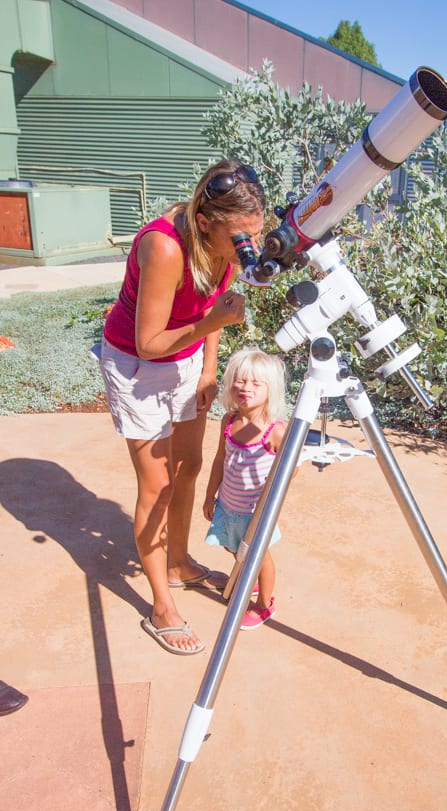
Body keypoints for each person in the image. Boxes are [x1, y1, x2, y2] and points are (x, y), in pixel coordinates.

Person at [99, 160, 266, 655]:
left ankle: (177, 562)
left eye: (253, 237)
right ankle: (160, 606)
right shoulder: (166, 247)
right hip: (138, 367)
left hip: (188, 360)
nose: (247, 248)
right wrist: (209, 324)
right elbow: (148, 342)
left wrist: (209, 369)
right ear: (205, 222)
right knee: (158, 484)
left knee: (189, 466)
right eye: (240, 237)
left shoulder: (227, 242)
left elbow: (210, 309)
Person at [203, 349, 288, 630]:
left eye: (255, 384)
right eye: (240, 381)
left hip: (256, 513)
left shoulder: (275, 431)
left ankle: (265, 604)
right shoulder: (229, 421)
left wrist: (271, 497)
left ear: (270, 390)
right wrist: (209, 495)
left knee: (259, 557)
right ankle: (243, 579)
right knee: (233, 547)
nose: (245, 388)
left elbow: (291, 468)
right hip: (229, 506)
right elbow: (220, 459)